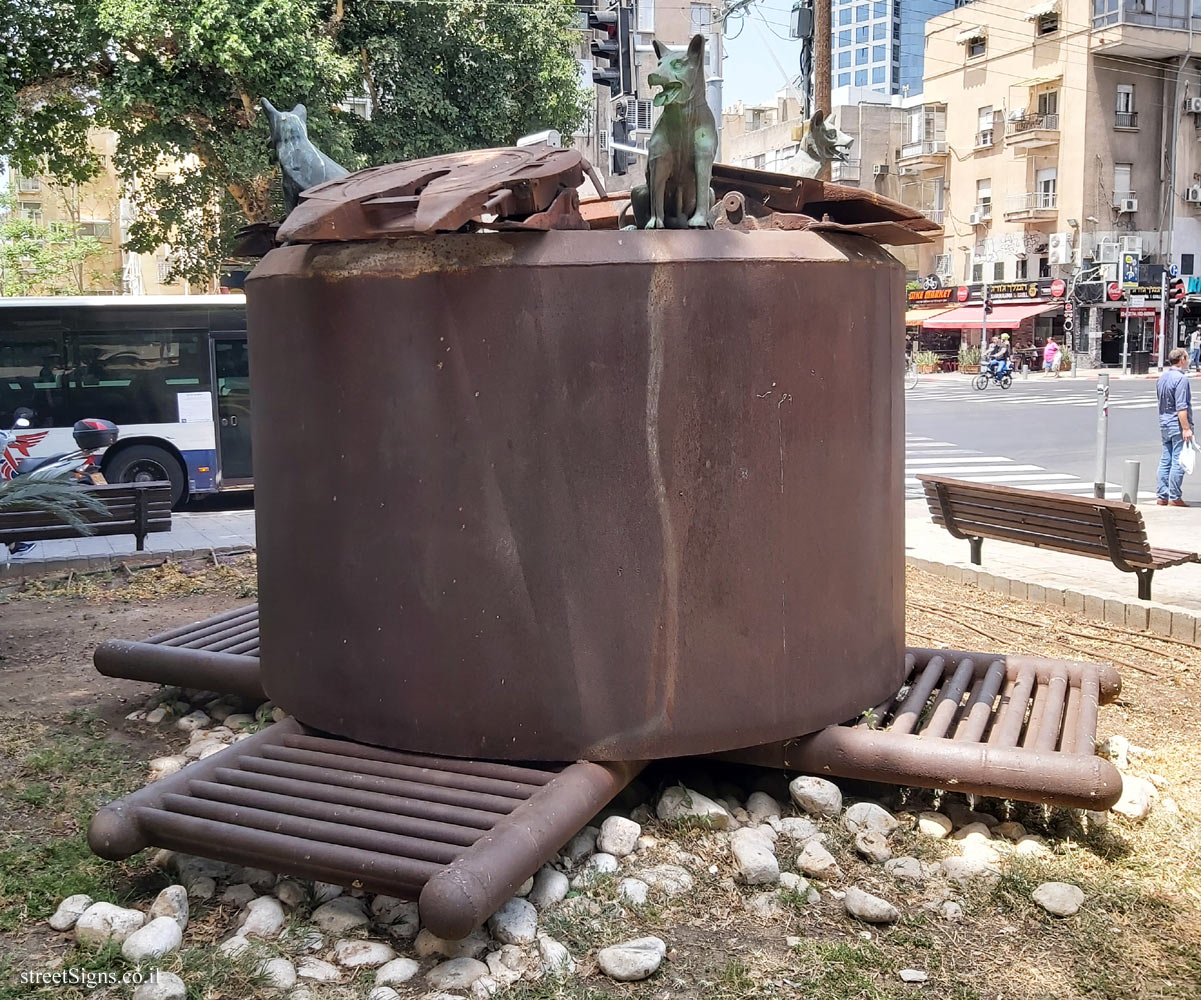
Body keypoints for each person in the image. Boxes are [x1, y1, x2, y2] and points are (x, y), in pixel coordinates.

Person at [1157, 346, 1194, 507]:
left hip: (1164, 422)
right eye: (1186, 357)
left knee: (1166, 459)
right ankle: (1174, 496)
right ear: (1182, 360)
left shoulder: (1162, 378)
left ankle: (1162, 495)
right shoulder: (1181, 379)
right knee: (1179, 460)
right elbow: (1181, 407)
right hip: (1176, 424)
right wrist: (1186, 428)